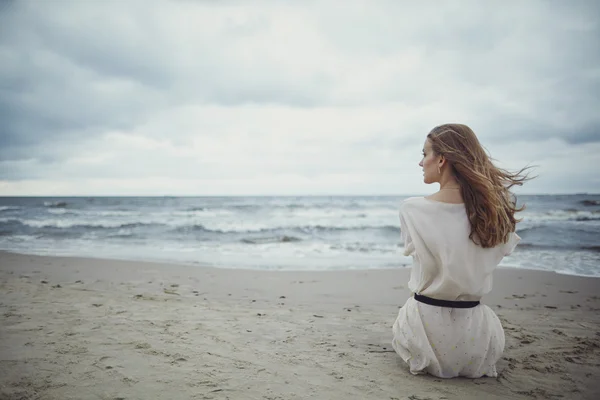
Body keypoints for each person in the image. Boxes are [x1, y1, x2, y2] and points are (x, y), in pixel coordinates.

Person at [392, 123, 531, 378]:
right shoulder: (494, 213)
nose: (421, 163)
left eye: (425, 154)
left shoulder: (411, 209)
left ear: (442, 159)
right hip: (477, 341)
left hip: (424, 335)